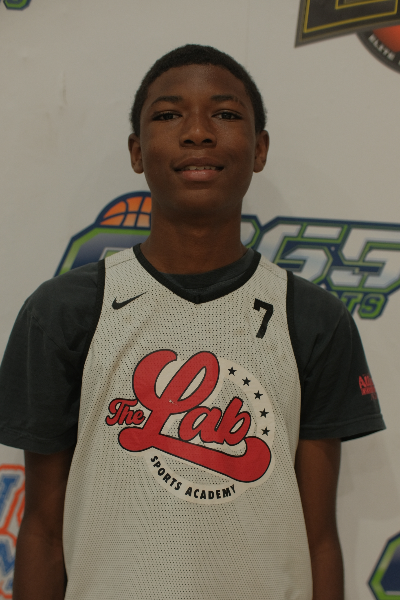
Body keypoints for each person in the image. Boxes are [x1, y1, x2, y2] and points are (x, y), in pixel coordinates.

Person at [0, 44, 385, 600]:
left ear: (259, 149)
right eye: (168, 115)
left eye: (225, 113)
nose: (198, 132)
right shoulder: (62, 312)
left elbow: (319, 538)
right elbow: (41, 531)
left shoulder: (313, 318)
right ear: (137, 151)